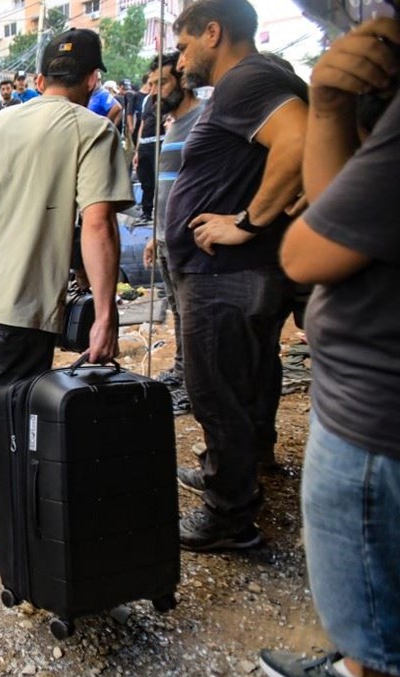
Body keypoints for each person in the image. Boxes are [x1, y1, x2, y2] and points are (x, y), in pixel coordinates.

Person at [0, 28, 130, 572]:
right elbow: (98, 225)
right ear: (93, 79)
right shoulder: (93, 130)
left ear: (39, 79)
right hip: (19, 307)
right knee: (13, 423)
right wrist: (105, 314)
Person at [256, 18, 400, 677]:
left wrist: (248, 223)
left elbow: (304, 250)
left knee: (376, 632)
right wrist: (331, 107)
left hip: (374, 425)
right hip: (370, 412)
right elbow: (331, 198)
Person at [166, 0, 308, 551]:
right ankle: (243, 465)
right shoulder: (261, 79)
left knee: (215, 390)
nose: (180, 62)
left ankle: (229, 516)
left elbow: (299, 142)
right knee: (249, 375)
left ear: (213, 32)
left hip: (223, 273)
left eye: (183, 47)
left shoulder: (247, 79)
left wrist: (247, 222)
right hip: (239, 273)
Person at [140, 51, 202, 418]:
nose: (153, 92)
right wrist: (156, 234)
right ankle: (182, 374)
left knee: (193, 320)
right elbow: (166, 187)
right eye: (150, 84)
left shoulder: (203, 120)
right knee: (178, 313)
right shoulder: (172, 126)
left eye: (161, 82)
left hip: (189, 241)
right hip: (166, 238)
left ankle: (194, 387)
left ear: (182, 81)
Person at [134, 56, 170, 223]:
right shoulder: (147, 100)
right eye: (151, 83)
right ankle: (146, 211)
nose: (153, 88)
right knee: (145, 180)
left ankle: (160, 213)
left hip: (159, 142)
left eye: (157, 83)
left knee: (159, 180)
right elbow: (142, 122)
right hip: (145, 144)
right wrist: (138, 149)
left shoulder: (166, 100)